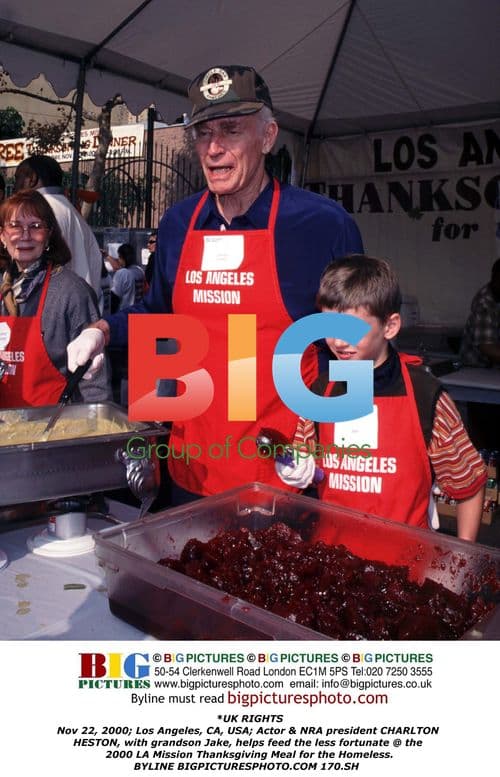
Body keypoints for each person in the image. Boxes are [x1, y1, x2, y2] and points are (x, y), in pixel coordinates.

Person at [67, 64, 363, 503]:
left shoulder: (321, 225)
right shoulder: (179, 223)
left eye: (231, 130)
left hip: (286, 480)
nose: (214, 148)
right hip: (191, 470)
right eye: (203, 133)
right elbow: (158, 317)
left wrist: (348, 461)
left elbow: (357, 348)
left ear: (267, 137)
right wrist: (102, 330)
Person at [275, 254, 486, 543]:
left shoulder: (427, 398)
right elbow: (304, 460)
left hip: (407, 566)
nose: (337, 342)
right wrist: (296, 467)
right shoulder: (320, 391)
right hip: (333, 562)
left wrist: (462, 558)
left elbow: (469, 486)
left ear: (390, 326)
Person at [0, 189, 110, 406]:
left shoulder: (71, 291)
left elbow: (94, 382)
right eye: (15, 226)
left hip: (53, 429)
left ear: (49, 235)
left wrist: (95, 432)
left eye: (35, 226)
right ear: (2, 236)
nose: (24, 235)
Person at [14, 155, 102, 299]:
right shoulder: (71, 211)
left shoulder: (39, 211)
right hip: (78, 305)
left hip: (50, 308)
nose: (15, 186)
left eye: (18, 178)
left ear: (32, 178)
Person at [457, 258, 500, 449]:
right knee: (484, 428)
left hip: (493, 373)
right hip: (476, 370)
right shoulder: (485, 301)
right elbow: (487, 347)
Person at [460, 259, 500, 368]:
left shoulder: (497, 296)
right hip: (477, 368)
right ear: (496, 278)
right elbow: (487, 348)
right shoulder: (485, 304)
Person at [110, 242, 146, 312]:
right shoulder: (139, 270)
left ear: (122, 257)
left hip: (124, 314)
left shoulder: (123, 273)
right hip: (138, 312)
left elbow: (115, 298)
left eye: (119, 257)